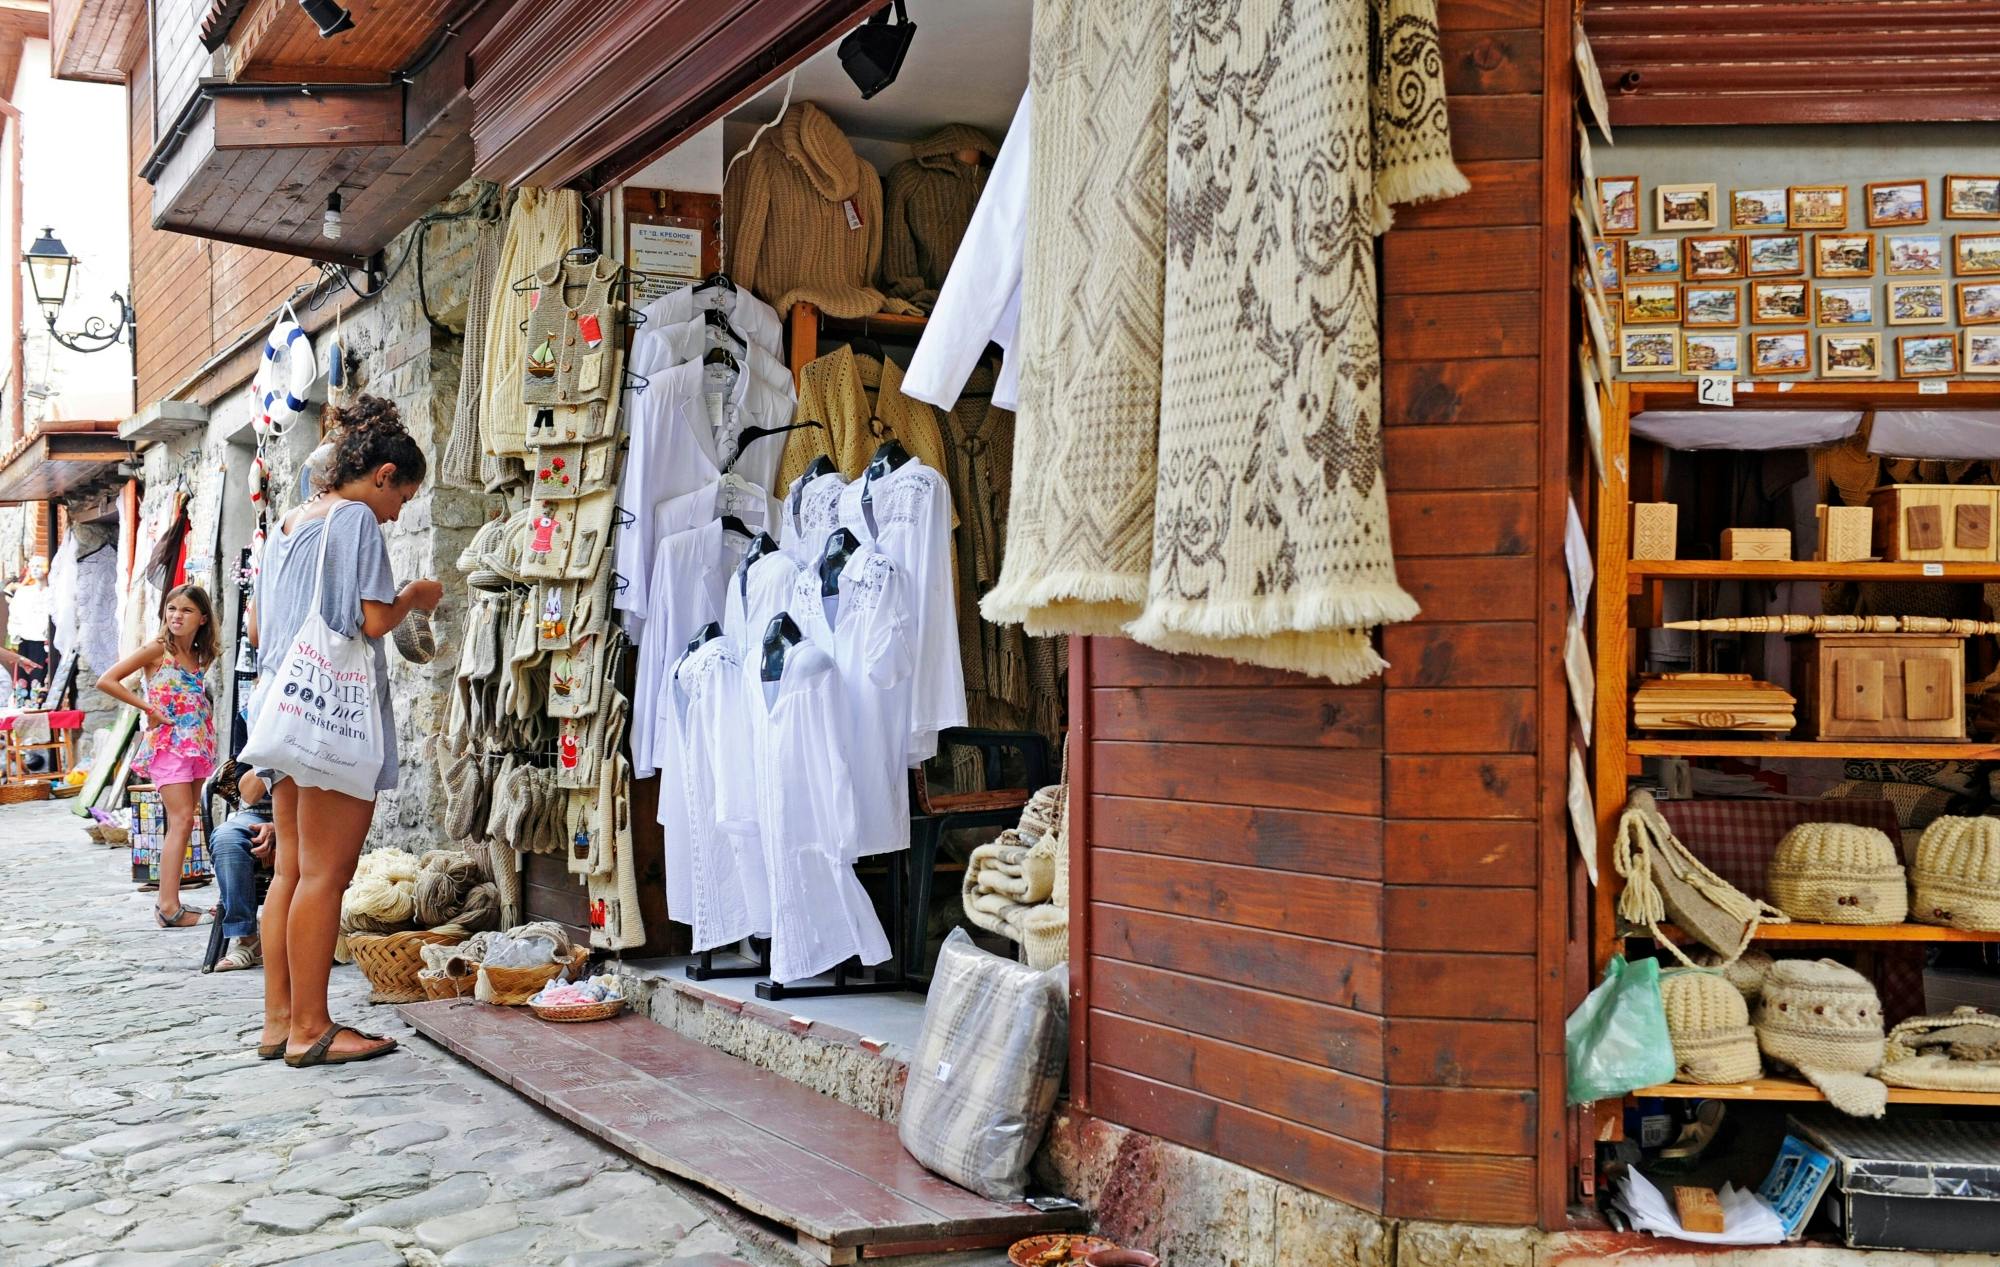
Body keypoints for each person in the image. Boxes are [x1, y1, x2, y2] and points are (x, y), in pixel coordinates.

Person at [246, 396, 442, 1067]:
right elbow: (371, 619)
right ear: (384, 473)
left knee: (292, 873)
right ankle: (311, 1027)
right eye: (405, 495)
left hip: (285, 706)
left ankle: (280, 1022)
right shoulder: (357, 518)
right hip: (332, 713)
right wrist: (416, 594)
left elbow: (258, 629)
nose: (399, 512)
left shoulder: (290, 522)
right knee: (328, 874)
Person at [97, 584, 219, 928]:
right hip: (168, 745)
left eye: (186, 611)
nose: (177, 616)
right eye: (172, 609)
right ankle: (167, 906)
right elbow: (109, 680)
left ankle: (172, 900)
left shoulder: (199, 655)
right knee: (180, 820)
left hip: (196, 744)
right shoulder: (157, 649)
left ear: (202, 618)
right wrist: (147, 707)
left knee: (184, 821)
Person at [210, 764, 275, 971]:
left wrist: (283, 825)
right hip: (257, 813)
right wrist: (271, 755)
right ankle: (248, 941)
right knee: (227, 839)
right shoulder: (252, 730)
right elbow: (248, 794)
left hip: (313, 811)